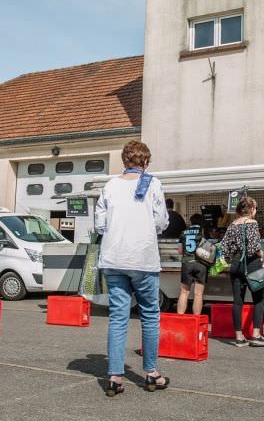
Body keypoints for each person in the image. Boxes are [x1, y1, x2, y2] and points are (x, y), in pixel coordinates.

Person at [95, 140, 170, 397]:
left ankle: (115, 377)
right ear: (146, 162)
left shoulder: (110, 185)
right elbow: (161, 221)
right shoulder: (154, 184)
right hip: (142, 259)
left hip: (113, 258)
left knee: (118, 316)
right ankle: (151, 373)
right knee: (149, 313)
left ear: (124, 161)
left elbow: (99, 223)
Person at [221, 197, 264, 347]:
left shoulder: (232, 225)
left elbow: (225, 248)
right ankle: (255, 335)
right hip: (252, 264)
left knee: (237, 301)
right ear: (252, 209)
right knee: (258, 300)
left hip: (236, 265)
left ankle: (239, 337)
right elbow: (254, 246)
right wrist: (261, 254)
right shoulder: (252, 223)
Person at [176, 213, 207, 315]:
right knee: (198, 294)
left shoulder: (183, 232)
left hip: (187, 263)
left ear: (191, 221)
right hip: (200, 264)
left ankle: (180, 318)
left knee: (184, 292)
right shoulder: (203, 232)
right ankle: (196, 320)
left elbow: (179, 251)